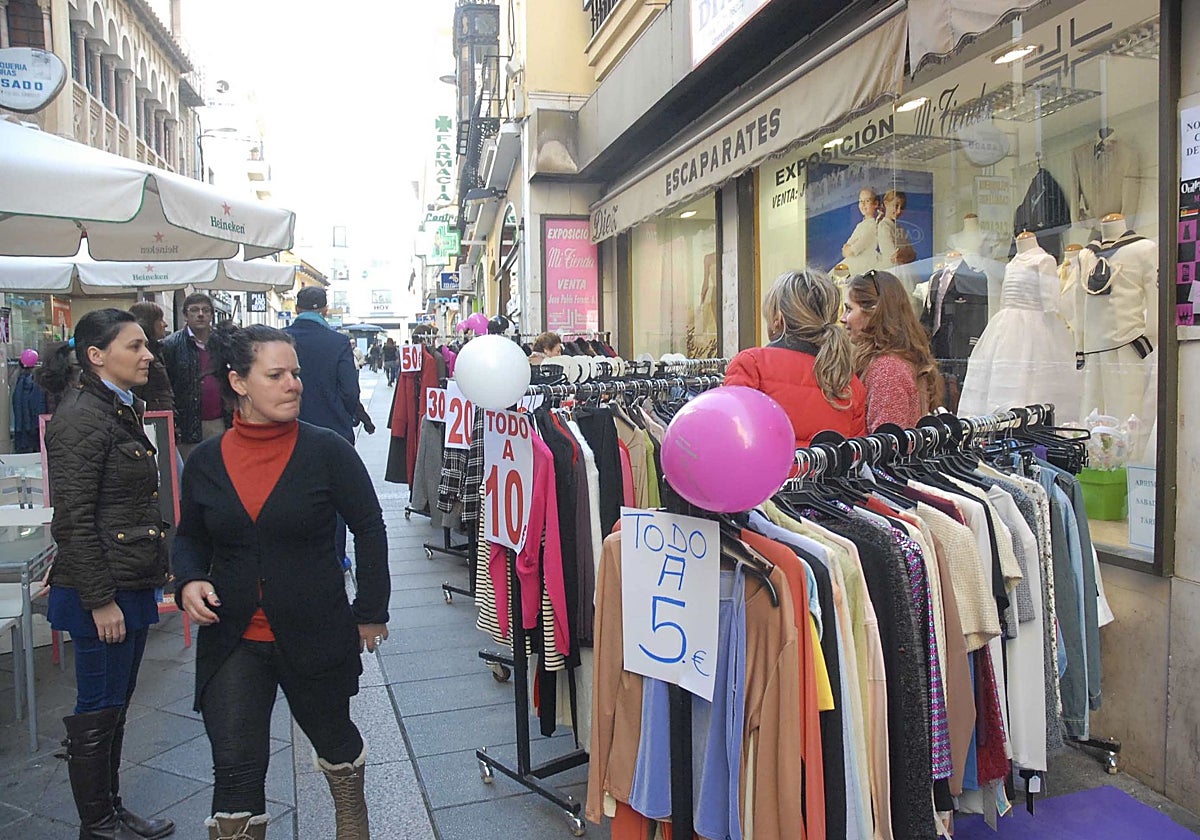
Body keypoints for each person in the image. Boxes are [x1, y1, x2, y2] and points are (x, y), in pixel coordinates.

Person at [172, 323, 389, 840]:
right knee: (235, 768)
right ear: (239, 382)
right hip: (233, 635)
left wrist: (370, 611)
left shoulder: (327, 450)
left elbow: (369, 526)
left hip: (316, 629)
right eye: (276, 375)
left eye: (296, 373)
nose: (294, 384)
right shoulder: (205, 461)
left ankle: (351, 815)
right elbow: (190, 538)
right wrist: (189, 580)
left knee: (334, 738)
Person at [41, 309, 174, 840]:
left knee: (116, 705)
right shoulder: (81, 417)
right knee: (97, 708)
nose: (148, 355)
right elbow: (72, 519)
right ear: (96, 356)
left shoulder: (117, 407)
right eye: (134, 346)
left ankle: (112, 809)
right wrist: (100, 600)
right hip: (101, 591)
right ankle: (96, 822)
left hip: (126, 579)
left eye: (146, 345)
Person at [725, 269, 866, 448]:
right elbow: (855, 454)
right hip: (827, 467)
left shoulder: (751, 365)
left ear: (778, 318)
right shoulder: (848, 381)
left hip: (769, 467)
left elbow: (731, 439)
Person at [842, 270, 943, 430]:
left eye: (849, 309)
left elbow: (887, 441)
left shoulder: (887, 370)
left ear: (873, 312)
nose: (842, 318)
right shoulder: (894, 362)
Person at [283, 286, 361, 444]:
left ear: (297, 309)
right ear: (326, 310)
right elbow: (350, 391)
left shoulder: (278, 339)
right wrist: (348, 414)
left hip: (288, 428)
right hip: (333, 429)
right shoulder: (339, 342)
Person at [162, 293, 225, 459]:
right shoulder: (171, 345)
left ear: (212, 315)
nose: (200, 314)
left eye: (205, 310)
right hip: (187, 424)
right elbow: (166, 386)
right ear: (185, 315)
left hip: (220, 421)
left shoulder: (223, 342)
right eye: (194, 310)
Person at [129, 301, 176, 413]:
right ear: (150, 323)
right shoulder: (141, 356)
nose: (165, 324)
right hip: (152, 418)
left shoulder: (157, 349)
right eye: (160, 320)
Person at [11, 348, 47, 453]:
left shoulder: (17, 381)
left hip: (21, 426)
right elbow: (38, 406)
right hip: (34, 427)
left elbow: (17, 405)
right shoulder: (37, 383)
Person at [840, 187, 882, 276]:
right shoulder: (861, 225)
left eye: (867, 201)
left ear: (875, 204)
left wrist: (849, 249)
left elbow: (855, 248)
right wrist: (848, 249)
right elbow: (846, 247)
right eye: (860, 201)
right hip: (855, 260)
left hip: (864, 262)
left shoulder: (872, 226)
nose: (863, 204)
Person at [877, 189, 917, 266]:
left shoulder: (899, 228)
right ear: (886, 204)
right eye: (896, 206)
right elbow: (893, 256)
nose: (899, 211)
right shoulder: (883, 226)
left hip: (903, 268)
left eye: (902, 207)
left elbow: (913, 254)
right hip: (892, 268)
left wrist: (906, 254)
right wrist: (906, 254)